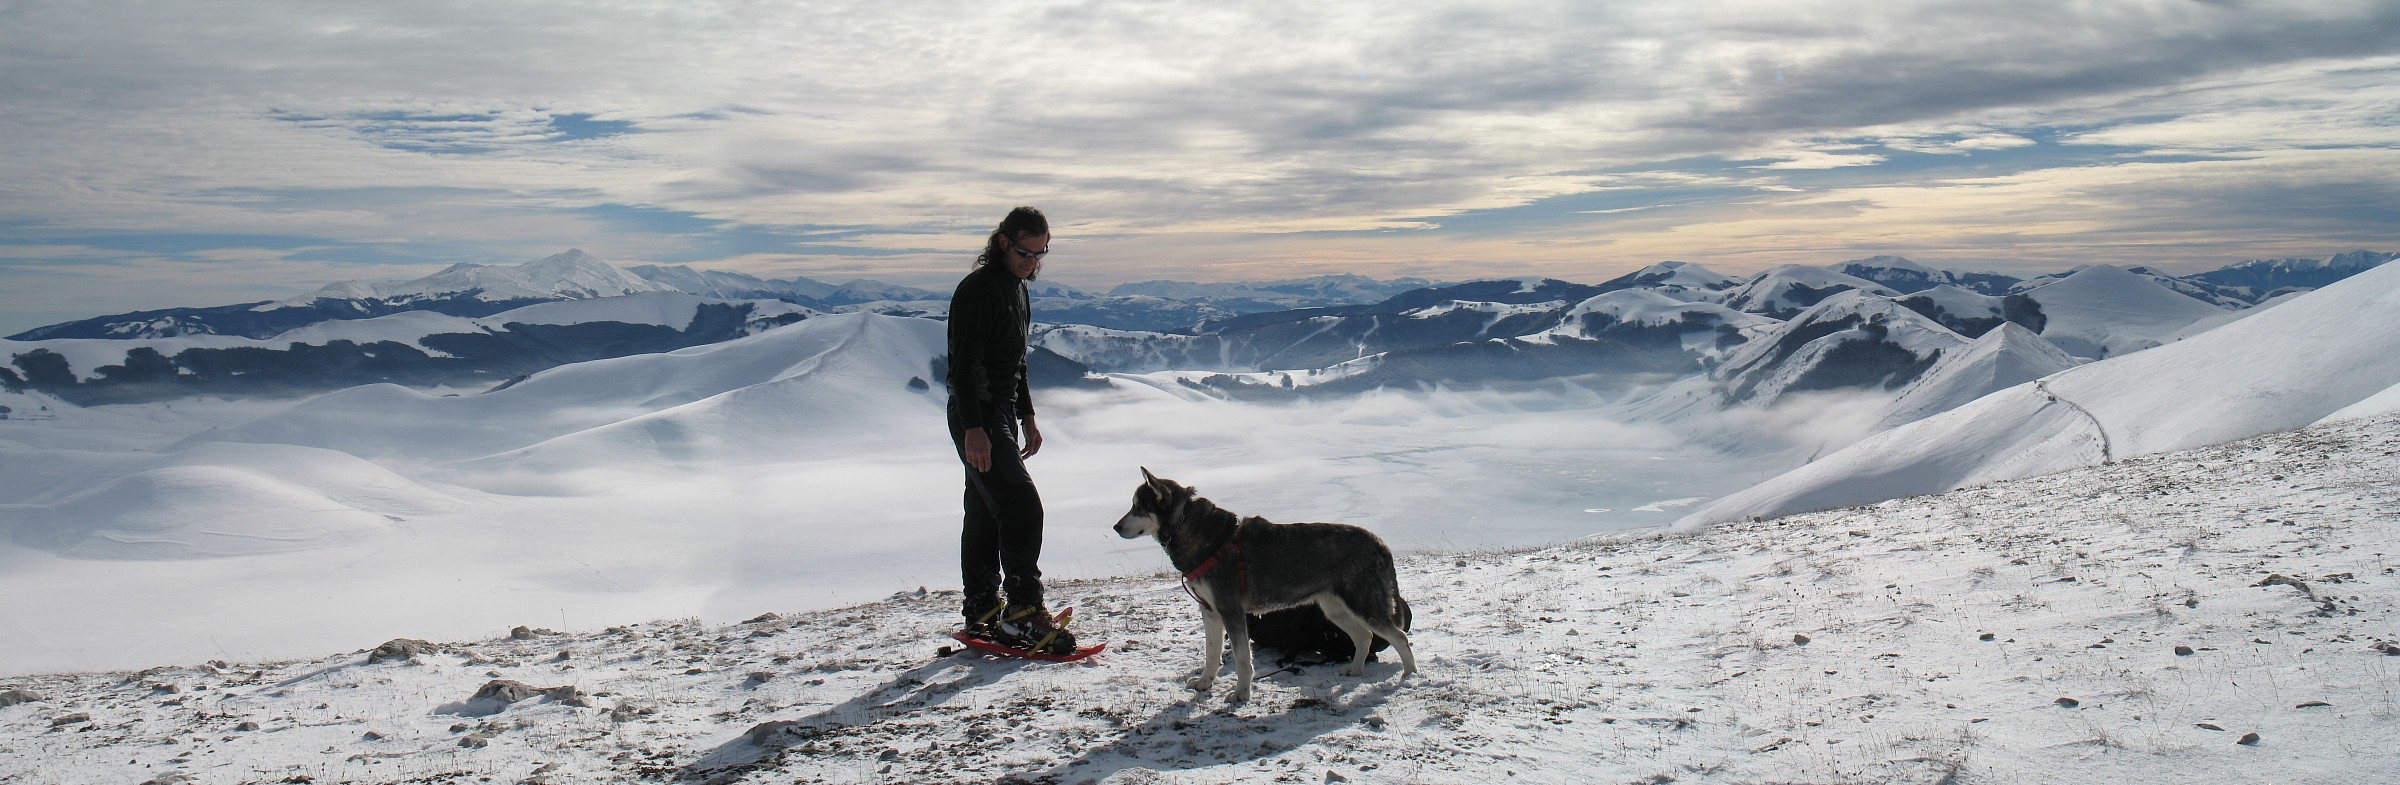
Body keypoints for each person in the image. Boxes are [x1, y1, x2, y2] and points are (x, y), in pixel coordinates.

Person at [947, 206, 1075, 654]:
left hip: (996, 411)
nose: (1032, 262)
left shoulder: (1018, 290)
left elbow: (1015, 363)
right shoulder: (977, 290)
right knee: (1022, 505)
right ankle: (1022, 613)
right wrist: (974, 429)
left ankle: (982, 610)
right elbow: (963, 366)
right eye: (1025, 252)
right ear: (1003, 242)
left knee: (985, 513)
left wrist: (1028, 415)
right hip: (976, 413)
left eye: (1040, 254)